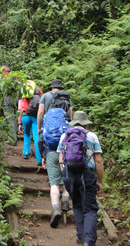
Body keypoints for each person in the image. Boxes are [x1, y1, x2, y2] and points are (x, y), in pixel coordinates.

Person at [58, 111, 103, 246]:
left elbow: (61, 160)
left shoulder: (64, 136)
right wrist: (99, 181)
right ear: (85, 123)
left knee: (77, 205)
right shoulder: (92, 136)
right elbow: (99, 161)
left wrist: (66, 176)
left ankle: (81, 237)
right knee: (89, 209)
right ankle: (88, 241)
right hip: (86, 174)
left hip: (69, 174)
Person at [37, 78, 73, 228]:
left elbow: (40, 112)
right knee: (67, 178)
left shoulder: (45, 96)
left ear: (51, 87)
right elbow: (71, 117)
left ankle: (55, 208)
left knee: (53, 183)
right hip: (66, 146)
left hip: (51, 148)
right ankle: (65, 198)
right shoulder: (67, 97)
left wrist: (40, 128)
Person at [18, 80, 43, 163]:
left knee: (26, 134)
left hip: (25, 117)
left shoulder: (23, 93)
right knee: (36, 137)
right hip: (35, 117)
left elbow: (20, 109)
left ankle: (25, 153)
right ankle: (39, 159)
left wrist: (19, 123)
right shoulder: (38, 92)